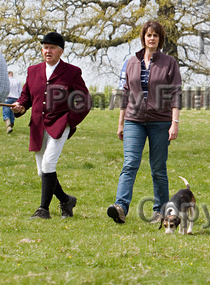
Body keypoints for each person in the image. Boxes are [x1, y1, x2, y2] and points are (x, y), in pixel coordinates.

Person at [107, 21, 182, 224]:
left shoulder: (169, 63)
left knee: (158, 167)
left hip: (160, 121)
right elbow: (125, 93)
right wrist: (121, 122)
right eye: (148, 35)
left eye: (155, 36)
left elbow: (175, 93)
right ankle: (120, 207)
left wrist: (175, 122)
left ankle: (161, 210)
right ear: (143, 38)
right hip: (134, 120)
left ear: (160, 39)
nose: (152, 38)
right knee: (130, 163)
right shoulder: (131, 62)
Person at [11, 32, 91, 219]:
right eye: (45, 47)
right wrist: (20, 107)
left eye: (52, 48)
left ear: (60, 51)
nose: (48, 51)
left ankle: (43, 210)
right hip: (38, 126)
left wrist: (69, 121)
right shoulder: (32, 71)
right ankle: (66, 200)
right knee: (42, 172)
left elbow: (85, 101)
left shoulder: (72, 72)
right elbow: (26, 98)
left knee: (48, 164)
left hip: (60, 125)